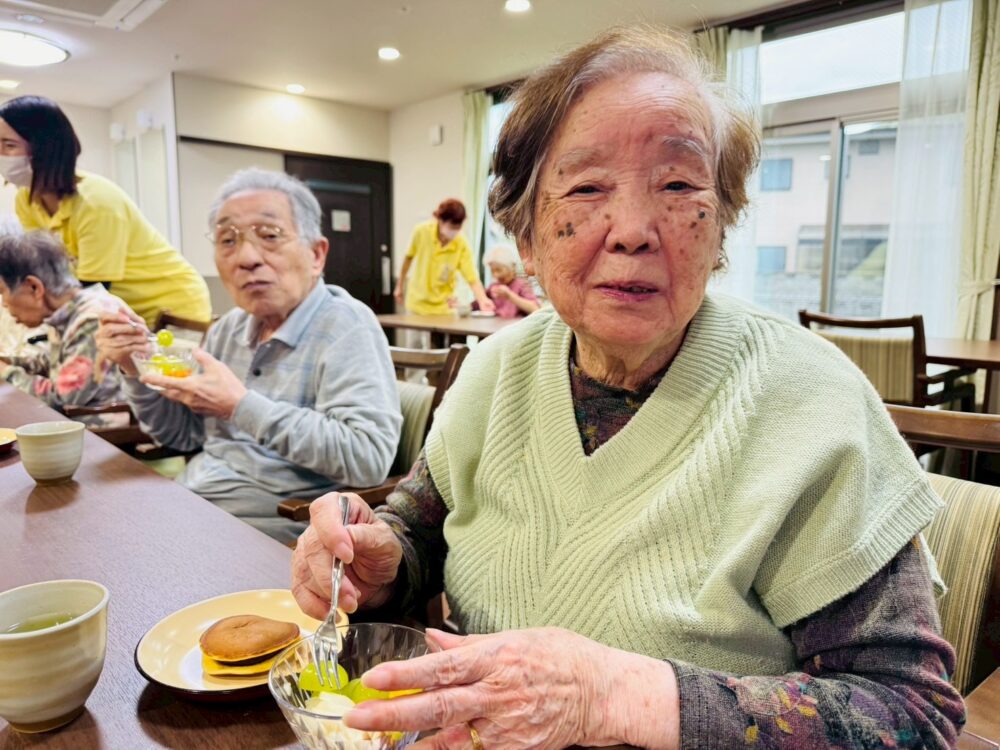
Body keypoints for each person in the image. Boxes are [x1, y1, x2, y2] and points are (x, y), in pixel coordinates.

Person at [291, 27, 965, 748]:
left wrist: (615, 696)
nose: (635, 230)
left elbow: (909, 716)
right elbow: (421, 527)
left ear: (721, 227)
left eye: (678, 186)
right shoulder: (496, 369)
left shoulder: (809, 401)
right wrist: (379, 564)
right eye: (587, 187)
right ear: (526, 236)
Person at [95, 168, 402, 544]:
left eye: (270, 235)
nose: (247, 257)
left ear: (316, 254)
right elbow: (185, 435)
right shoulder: (229, 328)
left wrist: (240, 405)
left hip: (275, 528)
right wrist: (135, 367)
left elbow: (367, 458)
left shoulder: (347, 325)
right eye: (228, 240)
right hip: (193, 501)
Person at [0, 95, 211, 327]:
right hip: (118, 310)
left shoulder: (96, 203)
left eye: (9, 145)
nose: (1, 154)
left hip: (171, 305)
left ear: (44, 148)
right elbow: (44, 269)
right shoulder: (26, 200)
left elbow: (93, 292)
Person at [0, 231, 124, 418]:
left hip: (98, 428)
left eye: (2, 291)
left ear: (34, 287)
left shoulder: (92, 319)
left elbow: (63, 399)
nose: (3, 303)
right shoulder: (68, 312)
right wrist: (8, 361)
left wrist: (6, 371)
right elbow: (54, 363)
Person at [393, 199, 495, 316]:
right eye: (452, 226)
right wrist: (399, 286)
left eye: (458, 227)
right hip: (417, 304)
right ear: (440, 220)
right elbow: (408, 258)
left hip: (443, 307)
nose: (455, 231)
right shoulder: (421, 231)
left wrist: (483, 300)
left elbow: (472, 277)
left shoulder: (461, 244)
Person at [481, 244, 539, 318]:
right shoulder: (494, 286)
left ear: (512, 267)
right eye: (492, 271)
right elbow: (477, 304)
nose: (495, 275)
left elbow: (535, 309)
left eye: (499, 270)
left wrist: (509, 295)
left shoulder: (522, 284)